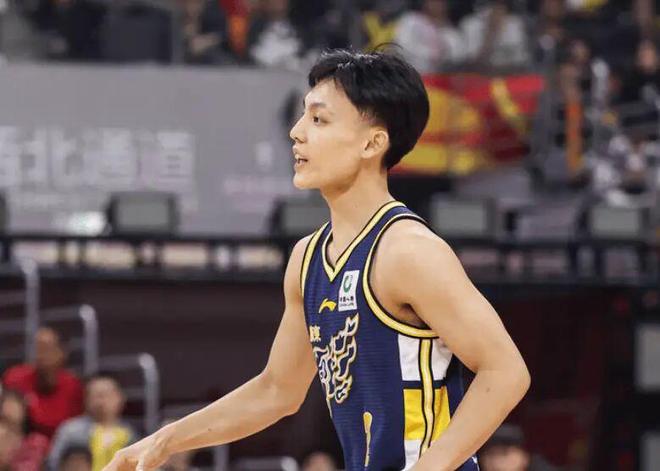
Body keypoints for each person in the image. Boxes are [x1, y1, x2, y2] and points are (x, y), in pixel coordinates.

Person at [102, 49, 530, 471]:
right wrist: (165, 440)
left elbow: (506, 371)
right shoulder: (306, 258)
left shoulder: (408, 251)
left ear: (372, 143)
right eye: (303, 116)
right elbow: (277, 391)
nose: (296, 132)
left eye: (319, 120)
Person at [2, 327, 84, 438]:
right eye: (37, 348)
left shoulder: (73, 386)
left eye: (47, 348)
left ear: (62, 353)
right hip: (21, 441)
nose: (41, 355)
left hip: (61, 443)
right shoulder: (15, 378)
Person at [47, 373, 137, 471]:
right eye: (96, 396)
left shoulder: (130, 433)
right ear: (86, 399)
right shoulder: (71, 430)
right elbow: (54, 463)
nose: (101, 401)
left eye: (106, 395)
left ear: (120, 398)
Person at [394, 0, 464, 73]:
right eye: (433, 1)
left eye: (441, 2)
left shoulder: (450, 30)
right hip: (410, 71)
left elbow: (458, 54)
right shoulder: (411, 20)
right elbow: (402, 46)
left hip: (438, 75)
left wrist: (443, 51)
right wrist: (429, 54)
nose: (437, 4)